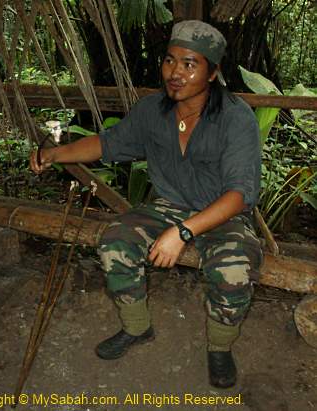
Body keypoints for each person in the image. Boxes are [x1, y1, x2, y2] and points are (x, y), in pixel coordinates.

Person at [30, 20, 262, 389]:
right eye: (170, 61)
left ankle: (220, 347)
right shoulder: (152, 110)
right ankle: (137, 327)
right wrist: (55, 153)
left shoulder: (236, 118)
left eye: (190, 64)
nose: (175, 73)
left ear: (214, 71)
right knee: (115, 241)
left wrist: (182, 232)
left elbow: (238, 195)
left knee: (231, 268)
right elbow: (107, 144)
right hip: (168, 206)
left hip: (221, 213)